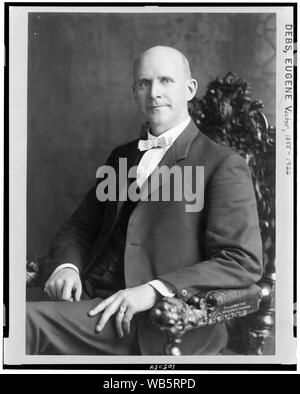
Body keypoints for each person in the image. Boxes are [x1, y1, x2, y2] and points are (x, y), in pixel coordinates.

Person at [26, 46, 263, 355]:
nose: (154, 93)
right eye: (144, 83)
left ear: (189, 89)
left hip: (157, 322)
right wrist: (65, 268)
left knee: (22, 322)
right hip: (90, 300)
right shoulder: (122, 156)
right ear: (134, 91)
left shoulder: (222, 163)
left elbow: (241, 260)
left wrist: (155, 290)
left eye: (166, 81)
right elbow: (80, 227)